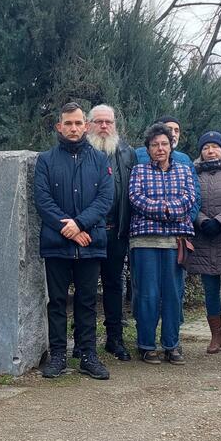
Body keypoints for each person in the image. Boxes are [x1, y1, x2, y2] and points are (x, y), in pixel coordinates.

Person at [35, 102, 114, 380]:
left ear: (86, 126)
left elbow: (105, 199)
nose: (73, 128)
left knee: (87, 301)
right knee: (56, 301)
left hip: (90, 242)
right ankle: (57, 355)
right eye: (68, 123)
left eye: (78, 123)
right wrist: (68, 228)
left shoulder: (101, 160)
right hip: (57, 244)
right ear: (59, 126)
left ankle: (87, 354)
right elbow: (43, 201)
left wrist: (80, 224)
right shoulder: (46, 160)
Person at [129, 123, 197, 364]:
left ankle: (172, 345)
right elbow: (136, 198)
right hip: (145, 240)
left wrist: (170, 209)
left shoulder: (184, 170)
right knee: (147, 294)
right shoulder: (138, 171)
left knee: (173, 294)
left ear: (171, 146)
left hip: (175, 242)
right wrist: (165, 209)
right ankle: (146, 345)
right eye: (155, 144)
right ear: (148, 148)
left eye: (164, 144)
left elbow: (190, 198)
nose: (160, 148)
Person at [86, 104, 137, 361]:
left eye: (109, 122)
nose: (104, 126)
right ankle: (85, 342)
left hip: (116, 231)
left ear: (115, 125)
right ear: (89, 124)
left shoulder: (127, 154)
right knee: (84, 288)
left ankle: (114, 338)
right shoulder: (81, 152)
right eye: (99, 122)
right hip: (87, 233)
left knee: (114, 285)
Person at [187, 132, 221, 354]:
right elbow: (188, 199)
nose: (211, 151)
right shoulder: (192, 173)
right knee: (210, 291)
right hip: (204, 237)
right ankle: (216, 336)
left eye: (215, 147)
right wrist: (202, 220)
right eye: (206, 147)